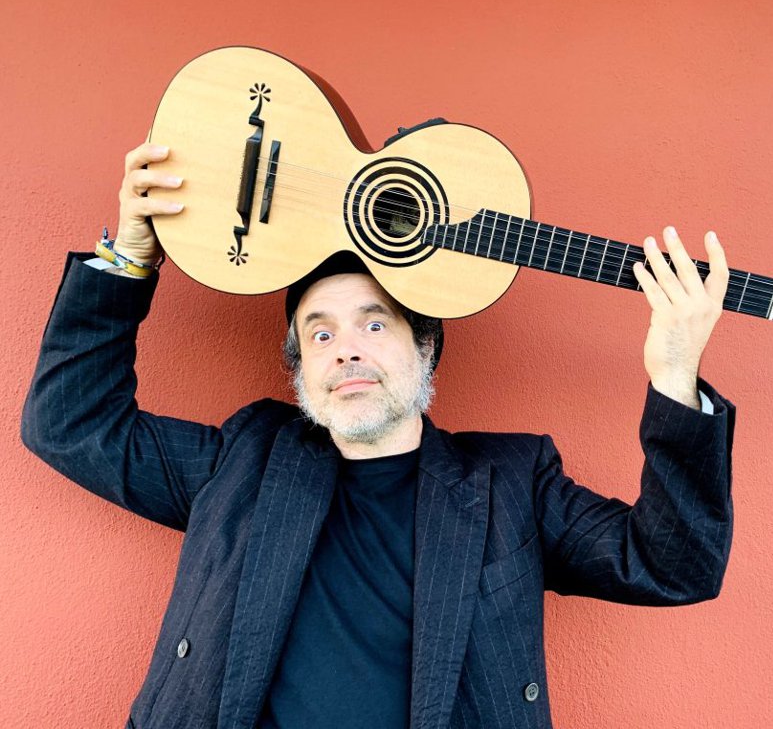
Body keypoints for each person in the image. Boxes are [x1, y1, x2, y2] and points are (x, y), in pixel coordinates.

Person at [22, 142, 736, 729]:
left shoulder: (514, 482)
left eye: (373, 323)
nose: (346, 350)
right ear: (300, 369)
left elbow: (672, 566)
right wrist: (132, 256)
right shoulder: (242, 459)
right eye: (320, 333)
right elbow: (68, 422)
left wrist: (676, 374)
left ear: (425, 348)